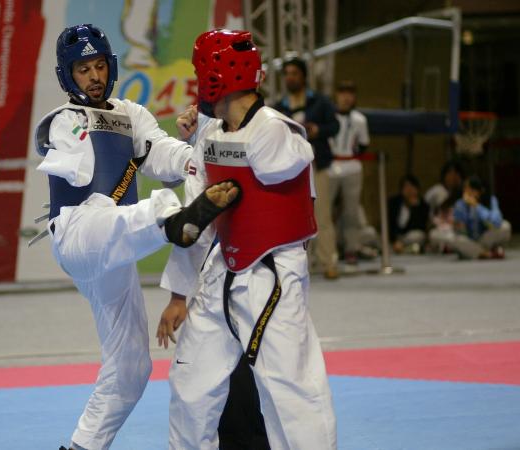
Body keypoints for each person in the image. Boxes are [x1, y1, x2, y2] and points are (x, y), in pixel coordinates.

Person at [36, 24, 240, 450]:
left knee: (131, 367)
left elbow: (167, 154)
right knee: (138, 210)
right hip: (80, 232)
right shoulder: (64, 122)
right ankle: (176, 223)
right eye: (82, 70)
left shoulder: (131, 115)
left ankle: (81, 446)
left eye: (97, 67)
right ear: (66, 76)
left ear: (109, 67)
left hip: (114, 253)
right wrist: (70, 142)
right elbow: (64, 153)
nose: (92, 77)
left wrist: (200, 146)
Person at [157, 29, 336, 450]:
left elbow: (292, 160)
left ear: (215, 74)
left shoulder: (277, 132)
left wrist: (206, 122)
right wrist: (180, 292)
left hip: (271, 272)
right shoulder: (213, 134)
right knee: (191, 385)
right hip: (223, 268)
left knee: (289, 391)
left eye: (201, 70)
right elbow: (199, 216)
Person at [272, 57, 340, 279]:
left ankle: (329, 261)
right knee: (292, 217)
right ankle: (298, 264)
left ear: (303, 76)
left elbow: (335, 125)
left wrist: (317, 130)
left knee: (322, 215)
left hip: (316, 164)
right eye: (287, 74)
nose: (290, 78)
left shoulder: (320, 102)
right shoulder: (278, 107)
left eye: (294, 73)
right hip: (290, 168)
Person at [327, 80, 370, 264]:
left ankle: (352, 248)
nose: (346, 97)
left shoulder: (360, 120)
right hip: (330, 167)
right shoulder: (328, 116)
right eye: (342, 93)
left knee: (352, 211)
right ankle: (326, 250)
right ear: (336, 95)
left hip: (351, 166)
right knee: (324, 211)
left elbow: (364, 144)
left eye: (350, 93)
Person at [451, 176, 511, 259]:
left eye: (470, 189)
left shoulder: (491, 200)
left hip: (485, 239)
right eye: (465, 189)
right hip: (468, 240)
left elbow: (496, 222)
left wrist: (476, 206)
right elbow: (459, 230)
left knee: (505, 226)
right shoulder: (460, 204)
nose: (467, 192)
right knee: (452, 238)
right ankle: (488, 253)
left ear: (480, 191)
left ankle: (475, 252)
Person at [387, 175, 430, 254]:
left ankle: (404, 249)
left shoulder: (423, 206)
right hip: (395, 238)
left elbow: (420, 227)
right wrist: (395, 241)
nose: (409, 190)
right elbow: (390, 225)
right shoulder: (393, 203)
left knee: (418, 235)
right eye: (406, 187)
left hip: (410, 238)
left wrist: (414, 209)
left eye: (412, 187)